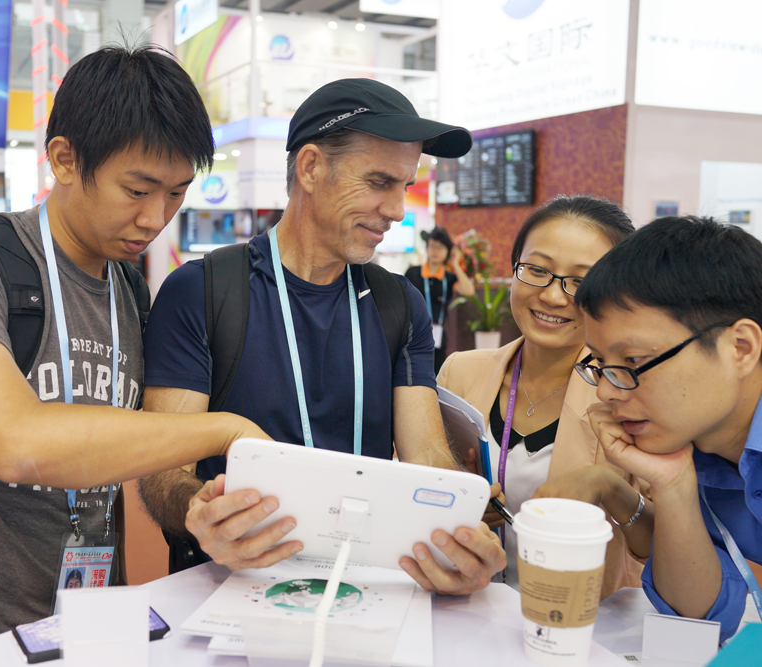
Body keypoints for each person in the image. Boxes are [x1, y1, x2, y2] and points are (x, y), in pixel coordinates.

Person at [0, 46, 268, 666]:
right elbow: (14, 441)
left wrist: (198, 504)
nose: (155, 218)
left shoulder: (129, 290)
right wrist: (225, 429)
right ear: (64, 159)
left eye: (176, 194)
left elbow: (134, 453)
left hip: (91, 631)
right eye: (136, 189)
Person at [139, 78, 506, 596]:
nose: (397, 210)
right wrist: (197, 508)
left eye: (404, 186)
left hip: (362, 588)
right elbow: (162, 468)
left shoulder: (400, 304)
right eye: (379, 182)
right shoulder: (203, 291)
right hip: (228, 588)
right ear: (310, 168)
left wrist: (463, 527)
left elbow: (426, 455)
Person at [437, 196, 649, 599]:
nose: (553, 297)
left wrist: (614, 491)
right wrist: (458, 506)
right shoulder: (459, 373)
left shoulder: (633, 396)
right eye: (537, 270)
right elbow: (415, 490)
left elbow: (662, 543)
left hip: (584, 618)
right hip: (468, 611)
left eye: (581, 282)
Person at [575, 216, 762, 641]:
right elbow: (701, 619)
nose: (605, 390)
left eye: (634, 361)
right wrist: (673, 484)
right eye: (601, 364)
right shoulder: (700, 446)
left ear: (740, 348)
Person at [404, 227, 475, 374]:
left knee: (435, 374)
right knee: (411, 373)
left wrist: (456, 265)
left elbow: (469, 291)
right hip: (413, 333)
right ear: (427, 248)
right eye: (432, 246)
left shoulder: (449, 278)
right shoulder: (413, 272)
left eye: (440, 247)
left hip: (438, 336)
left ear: (448, 251)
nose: (435, 251)